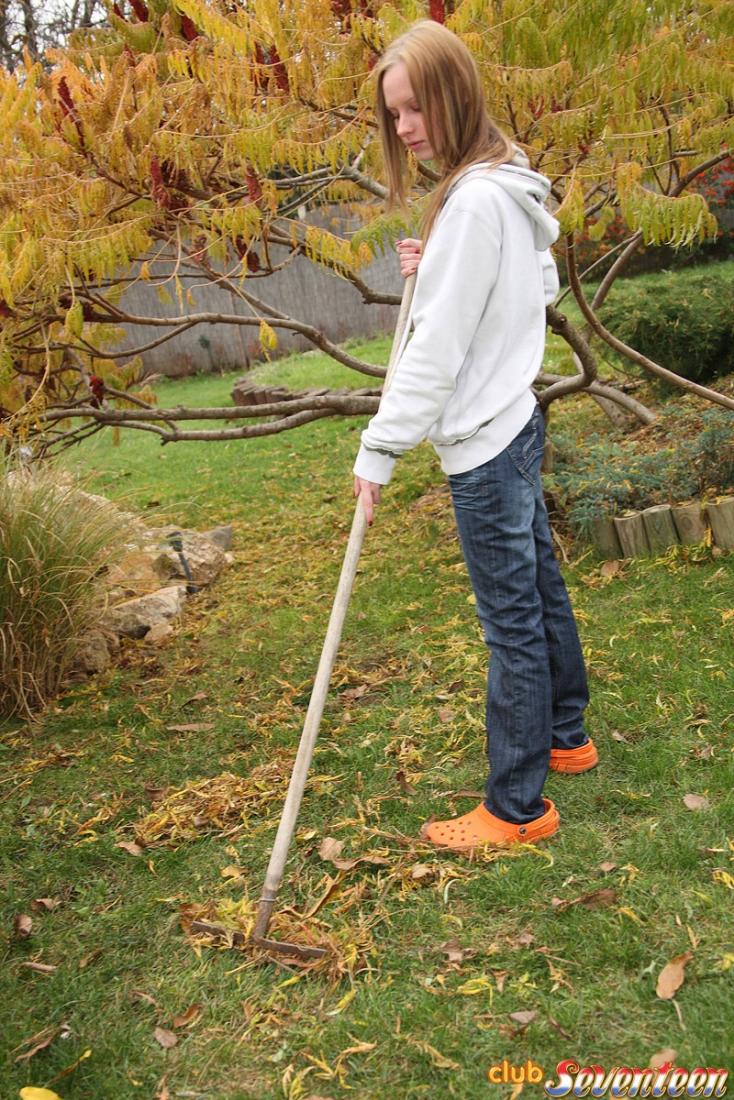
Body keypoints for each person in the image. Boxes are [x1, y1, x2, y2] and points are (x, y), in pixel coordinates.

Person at [352, 20, 597, 852]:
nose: (404, 128)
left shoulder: (473, 203)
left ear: (455, 94)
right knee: (541, 591)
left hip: (487, 442)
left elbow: (436, 351)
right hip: (517, 419)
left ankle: (514, 808)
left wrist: (379, 449)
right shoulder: (507, 185)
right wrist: (439, 271)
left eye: (415, 107)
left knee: (512, 623)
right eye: (394, 114)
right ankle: (567, 736)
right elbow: (535, 282)